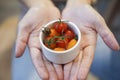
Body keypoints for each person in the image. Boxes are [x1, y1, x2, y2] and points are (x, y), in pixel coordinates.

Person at [13, 0, 119, 80]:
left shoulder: (67, 35)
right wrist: (39, 5)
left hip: (82, 19)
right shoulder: (53, 36)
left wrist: (80, 3)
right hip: (36, 18)